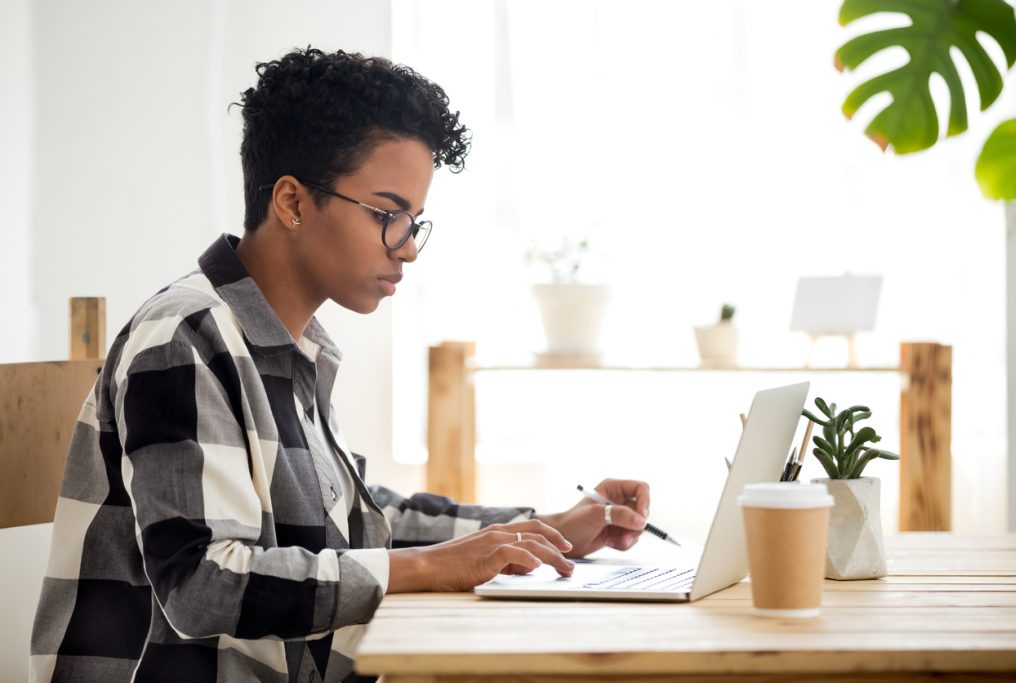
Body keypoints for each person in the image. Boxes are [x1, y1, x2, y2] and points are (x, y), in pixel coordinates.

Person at [31, 47, 652, 683]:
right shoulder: (183, 336)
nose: (408, 248)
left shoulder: (292, 345)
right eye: (388, 215)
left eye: (414, 221)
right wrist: (434, 565)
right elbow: (201, 584)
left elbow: (355, 522)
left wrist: (540, 529)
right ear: (293, 202)